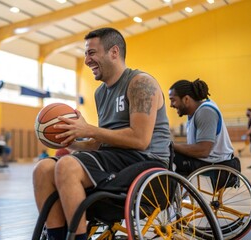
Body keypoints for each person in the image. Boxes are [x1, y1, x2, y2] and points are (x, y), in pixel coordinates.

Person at [32, 27, 171, 240]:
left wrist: (89, 129)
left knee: (67, 166)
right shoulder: (100, 93)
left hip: (147, 165)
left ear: (114, 52)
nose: (87, 60)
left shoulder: (141, 83)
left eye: (91, 53)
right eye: (86, 53)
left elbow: (140, 139)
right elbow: (103, 141)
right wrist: (74, 142)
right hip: (114, 160)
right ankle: (56, 236)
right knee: (43, 169)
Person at [168, 79, 239, 176]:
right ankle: (182, 190)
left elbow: (203, 150)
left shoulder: (205, 112)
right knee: (170, 153)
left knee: (169, 155)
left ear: (186, 99)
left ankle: (171, 189)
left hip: (218, 164)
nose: (171, 105)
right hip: (210, 160)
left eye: (173, 100)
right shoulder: (195, 113)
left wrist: (171, 146)